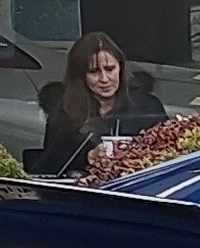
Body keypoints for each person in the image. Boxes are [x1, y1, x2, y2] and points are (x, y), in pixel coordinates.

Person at [33, 31, 165, 175]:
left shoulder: (148, 108)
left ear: (120, 68)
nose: (104, 79)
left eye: (110, 69)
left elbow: (169, 154)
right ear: (80, 76)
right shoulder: (65, 112)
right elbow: (49, 166)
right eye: (94, 72)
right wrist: (88, 156)